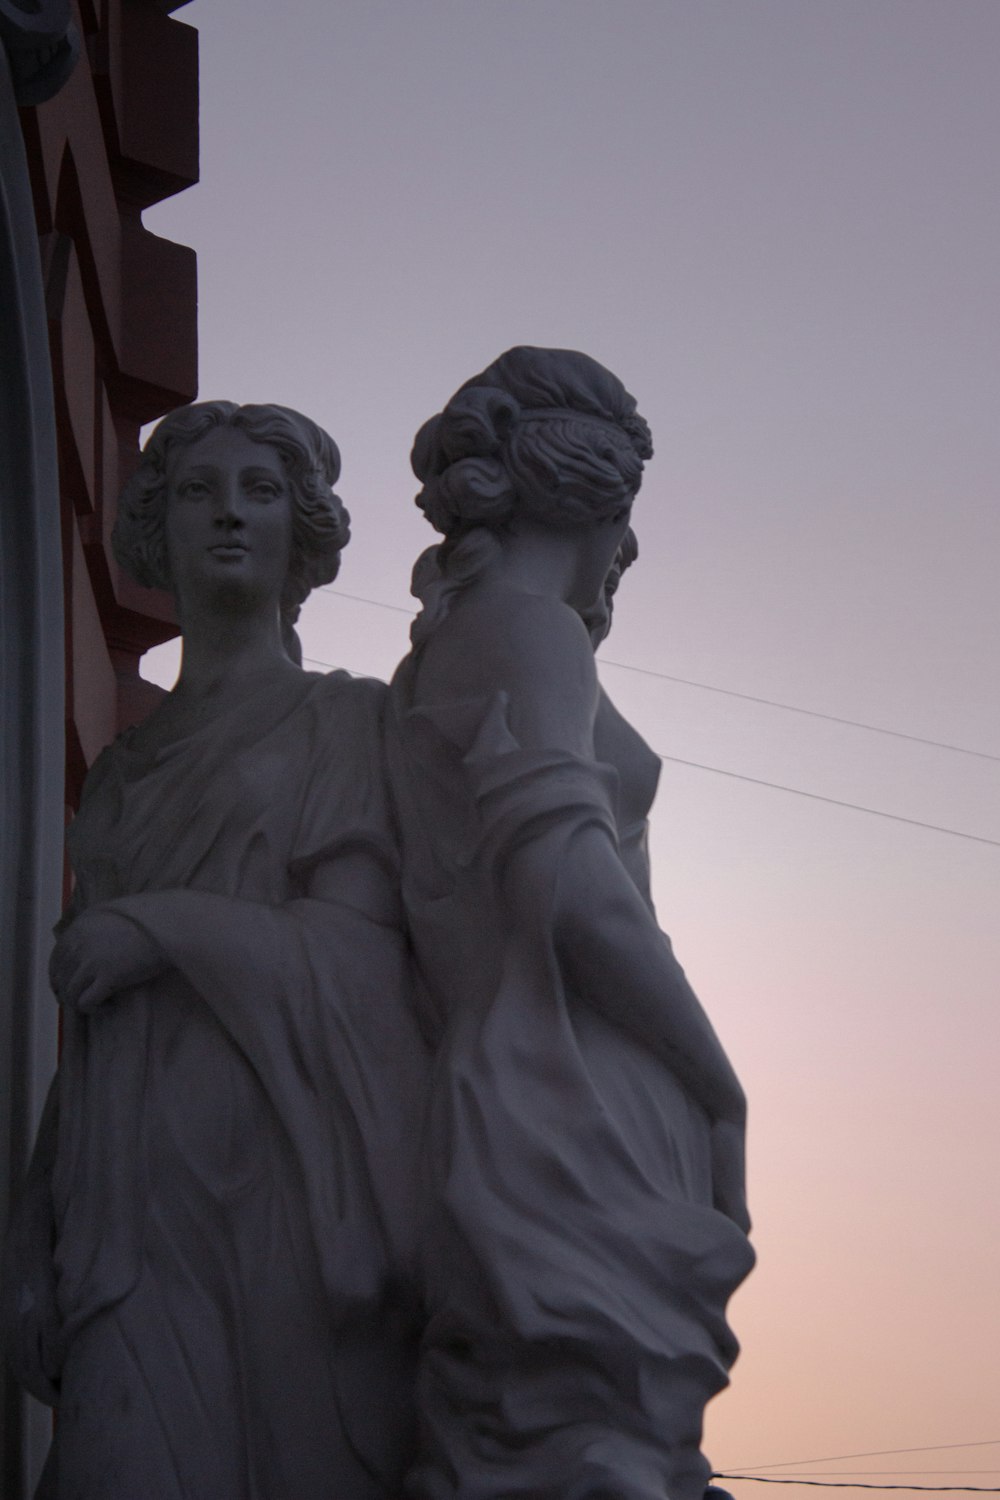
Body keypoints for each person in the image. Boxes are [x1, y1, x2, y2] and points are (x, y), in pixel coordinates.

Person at [3, 401, 427, 1499]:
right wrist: (32, 1231)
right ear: (160, 528)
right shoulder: (126, 774)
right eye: (199, 491)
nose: (230, 514)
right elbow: (92, 1030)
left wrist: (163, 926)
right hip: (126, 1208)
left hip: (279, 1197)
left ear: (303, 532)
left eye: (260, 491)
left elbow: (366, 963)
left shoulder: (345, 725)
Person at [385, 347, 755, 1500]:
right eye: (629, 513)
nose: (631, 551)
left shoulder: (454, 643)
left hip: (516, 1082)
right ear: (597, 495)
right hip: (573, 1086)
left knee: (576, 1439)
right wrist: (715, 1081)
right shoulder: (527, 631)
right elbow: (565, 878)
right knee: (598, 1449)